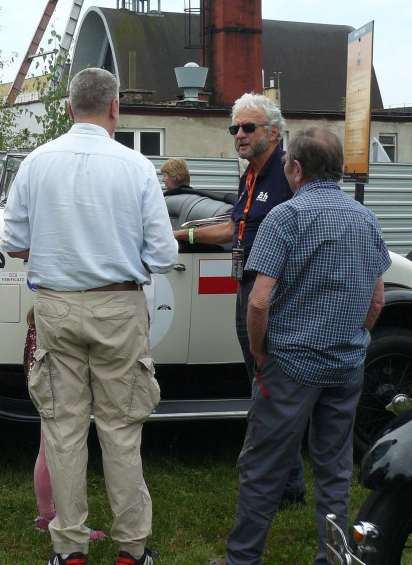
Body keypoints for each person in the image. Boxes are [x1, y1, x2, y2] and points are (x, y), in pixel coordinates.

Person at [1, 67, 177, 565]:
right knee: (121, 429)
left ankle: (69, 547)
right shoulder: (137, 166)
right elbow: (163, 255)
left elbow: (13, 243)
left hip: (56, 306)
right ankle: (131, 550)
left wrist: (59, 250)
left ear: (69, 107)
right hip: (119, 306)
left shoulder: (36, 163)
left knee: (63, 427)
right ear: (115, 107)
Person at [212, 127, 390, 565]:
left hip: (288, 367)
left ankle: (243, 559)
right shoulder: (366, 220)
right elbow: (378, 298)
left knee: (262, 468)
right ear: (340, 170)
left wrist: (258, 351)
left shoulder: (284, 218)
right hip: (346, 367)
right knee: (334, 469)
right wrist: (358, 339)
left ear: (295, 168)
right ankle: (333, 558)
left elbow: (257, 300)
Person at [186, 93, 305, 507]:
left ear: (273, 132)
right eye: (235, 127)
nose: (239, 133)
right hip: (247, 286)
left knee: (271, 385)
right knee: (260, 383)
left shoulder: (289, 172)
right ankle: (286, 482)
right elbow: (237, 228)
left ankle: (283, 485)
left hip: (273, 293)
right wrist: (182, 235)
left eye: (248, 127)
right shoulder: (249, 174)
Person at [23, 307, 106, 542]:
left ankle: (46, 515)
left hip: (47, 380)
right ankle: (67, 524)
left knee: (47, 447)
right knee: (66, 451)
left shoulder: (41, 309)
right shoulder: (70, 307)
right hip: (63, 382)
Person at [159, 158, 233, 238]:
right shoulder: (199, 197)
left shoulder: (166, 202)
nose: (163, 180)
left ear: (174, 178)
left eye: (165, 175)